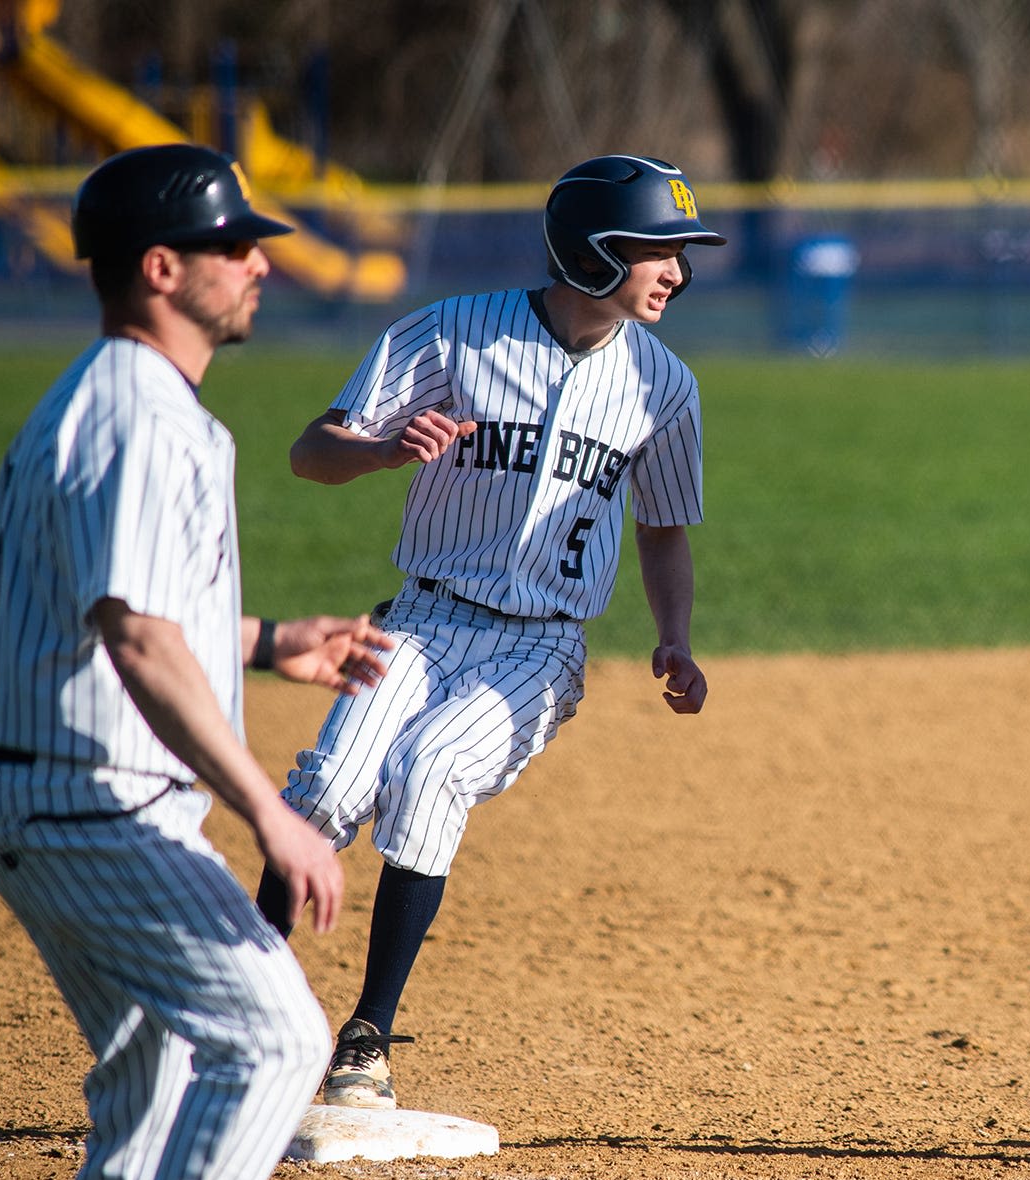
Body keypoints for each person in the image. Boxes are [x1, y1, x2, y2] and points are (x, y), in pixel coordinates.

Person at [0, 143, 394, 1180]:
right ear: (160, 268)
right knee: (280, 1038)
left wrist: (271, 638)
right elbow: (139, 638)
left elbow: (131, 605)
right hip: (94, 808)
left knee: (152, 1093)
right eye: (232, 243)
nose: (257, 261)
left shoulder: (112, 401)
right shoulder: (142, 419)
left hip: (55, 797)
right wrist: (270, 811)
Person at [255, 153, 723, 1110]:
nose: (677, 271)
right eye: (657, 250)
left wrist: (674, 633)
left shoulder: (663, 385)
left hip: (540, 647)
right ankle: (234, 1008)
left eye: (683, 253)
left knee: (429, 774)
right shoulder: (456, 333)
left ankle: (367, 1040)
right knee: (330, 789)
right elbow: (312, 452)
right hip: (422, 617)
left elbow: (665, 524)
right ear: (593, 249)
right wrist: (383, 449)